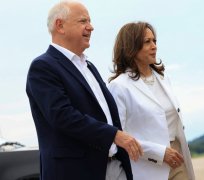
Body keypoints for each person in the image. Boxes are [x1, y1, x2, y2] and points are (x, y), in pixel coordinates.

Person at [26, 1, 142, 180]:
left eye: (90, 21)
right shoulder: (43, 67)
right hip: (75, 172)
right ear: (60, 25)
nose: (91, 27)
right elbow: (62, 116)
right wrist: (113, 135)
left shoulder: (89, 66)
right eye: (83, 21)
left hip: (114, 166)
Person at [108, 22, 195, 180]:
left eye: (154, 41)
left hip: (177, 156)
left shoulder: (163, 78)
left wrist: (172, 150)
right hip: (145, 165)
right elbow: (118, 136)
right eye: (147, 42)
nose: (154, 46)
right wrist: (159, 152)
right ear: (131, 47)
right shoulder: (118, 87)